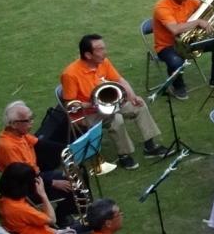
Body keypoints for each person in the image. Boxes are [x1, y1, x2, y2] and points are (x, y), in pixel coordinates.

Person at [61, 32, 168, 166]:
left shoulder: (102, 62)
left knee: (139, 106)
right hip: (87, 113)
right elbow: (69, 105)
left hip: (108, 103)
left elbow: (120, 80)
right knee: (117, 120)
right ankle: (124, 155)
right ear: (88, 55)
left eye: (104, 48)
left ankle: (150, 146)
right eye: (100, 49)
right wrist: (92, 104)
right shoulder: (70, 74)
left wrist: (133, 97)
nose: (105, 52)